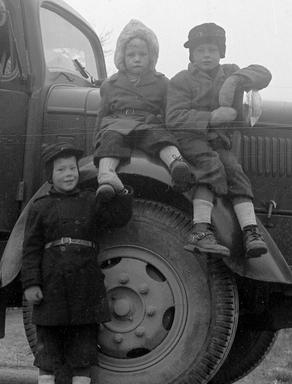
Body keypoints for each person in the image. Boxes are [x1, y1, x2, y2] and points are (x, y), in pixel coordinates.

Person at [20, 143, 134, 384]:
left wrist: (120, 190)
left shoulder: (91, 200)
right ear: (51, 175)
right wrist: (31, 283)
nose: (69, 174)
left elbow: (118, 217)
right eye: (61, 169)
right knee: (48, 337)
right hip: (52, 280)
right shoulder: (41, 207)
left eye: (72, 168)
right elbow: (31, 248)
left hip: (86, 280)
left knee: (84, 337)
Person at [166, 22, 272, 259]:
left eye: (213, 50)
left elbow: (264, 73)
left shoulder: (230, 72)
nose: (206, 55)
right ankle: (200, 231)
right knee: (210, 165)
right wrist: (211, 117)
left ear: (221, 53)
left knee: (234, 170)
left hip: (217, 141)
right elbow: (173, 117)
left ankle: (250, 231)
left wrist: (236, 79)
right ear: (191, 54)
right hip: (190, 138)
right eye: (200, 50)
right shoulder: (181, 80)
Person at [93, 19, 194, 200]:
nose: (137, 59)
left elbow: (168, 112)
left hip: (147, 124)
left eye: (142, 54)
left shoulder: (162, 83)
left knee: (160, 138)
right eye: (131, 55)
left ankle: (177, 164)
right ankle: (107, 176)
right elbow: (102, 114)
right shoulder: (111, 84)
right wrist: (96, 141)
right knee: (110, 140)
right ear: (122, 57)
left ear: (152, 57)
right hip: (117, 124)